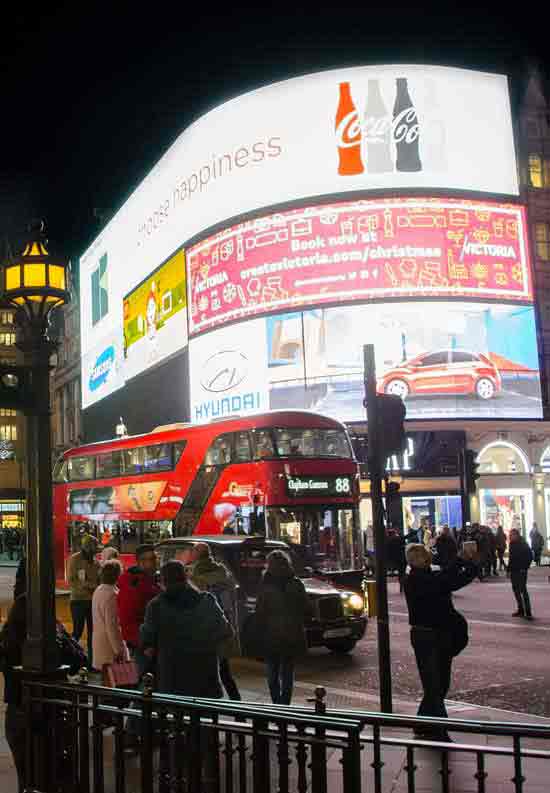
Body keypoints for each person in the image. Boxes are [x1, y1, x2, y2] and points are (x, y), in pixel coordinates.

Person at [404, 543, 478, 741]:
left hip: (441, 634)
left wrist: (469, 565)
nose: (424, 559)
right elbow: (444, 580)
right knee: (434, 684)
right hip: (425, 636)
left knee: (440, 683)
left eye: (423, 555)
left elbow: (451, 579)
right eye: (419, 556)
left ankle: (422, 723)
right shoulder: (414, 580)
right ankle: (439, 730)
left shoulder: (431, 576)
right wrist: (461, 561)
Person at [140, 560, 232, 696]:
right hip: (205, 678)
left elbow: (148, 643)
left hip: (171, 679)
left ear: (163, 581)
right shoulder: (207, 601)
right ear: (186, 577)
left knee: (174, 714)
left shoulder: (156, 606)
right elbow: (226, 632)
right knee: (204, 715)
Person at [254, 550, 310, 705]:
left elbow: (260, 611)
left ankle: (279, 704)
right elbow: (305, 607)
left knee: (274, 674)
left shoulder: (267, 585)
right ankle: (284, 705)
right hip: (290, 634)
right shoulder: (295, 583)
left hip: (272, 635)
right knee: (286, 674)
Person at [186, 543, 242, 700]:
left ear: (198, 555)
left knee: (206, 674)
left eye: (194, 551)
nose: (191, 553)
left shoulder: (193, 576)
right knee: (224, 672)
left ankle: (208, 707)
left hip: (203, 631)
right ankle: (237, 708)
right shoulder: (222, 573)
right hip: (219, 628)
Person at [117, 544, 160, 745]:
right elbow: (131, 618)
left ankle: (142, 729)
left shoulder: (146, 581)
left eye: (155, 558)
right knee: (144, 687)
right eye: (151, 559)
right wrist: (144, 644)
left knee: (147, 686)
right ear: (141, 562)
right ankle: (131, 732)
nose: (155, 562)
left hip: (147, 643)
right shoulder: (136, 583)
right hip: (143, 644)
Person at [92, 560, 128, 680]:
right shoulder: (112, 595)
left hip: (100, 643)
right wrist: (119, 650)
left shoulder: (98, 590)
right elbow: (112, 626)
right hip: (109, 647)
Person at [67, 533, 100, 664]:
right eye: (92, 548)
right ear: (86, 547)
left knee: (93, 633)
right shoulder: (74, 559)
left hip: (92, 601)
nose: (94, 551)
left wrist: (94, 586)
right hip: (78, 601)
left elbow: (99, 580)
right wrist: (90, 586)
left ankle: (92, 661)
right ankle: (71, 659)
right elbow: (72, 580)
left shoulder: (96, 562)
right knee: (77, 632)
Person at [508, 529, 534, 620]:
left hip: (521, 571)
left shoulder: (523, 543)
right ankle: (520, 610)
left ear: (517, 535)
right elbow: (511, 559)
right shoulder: (511, 544)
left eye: (512, 535)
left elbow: (530, 556)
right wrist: (508, 570)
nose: (511, 536)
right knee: (516, 591)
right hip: (514, 571)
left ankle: (528, 612)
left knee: (523, 591)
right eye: (510, 535)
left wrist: (525, 567)